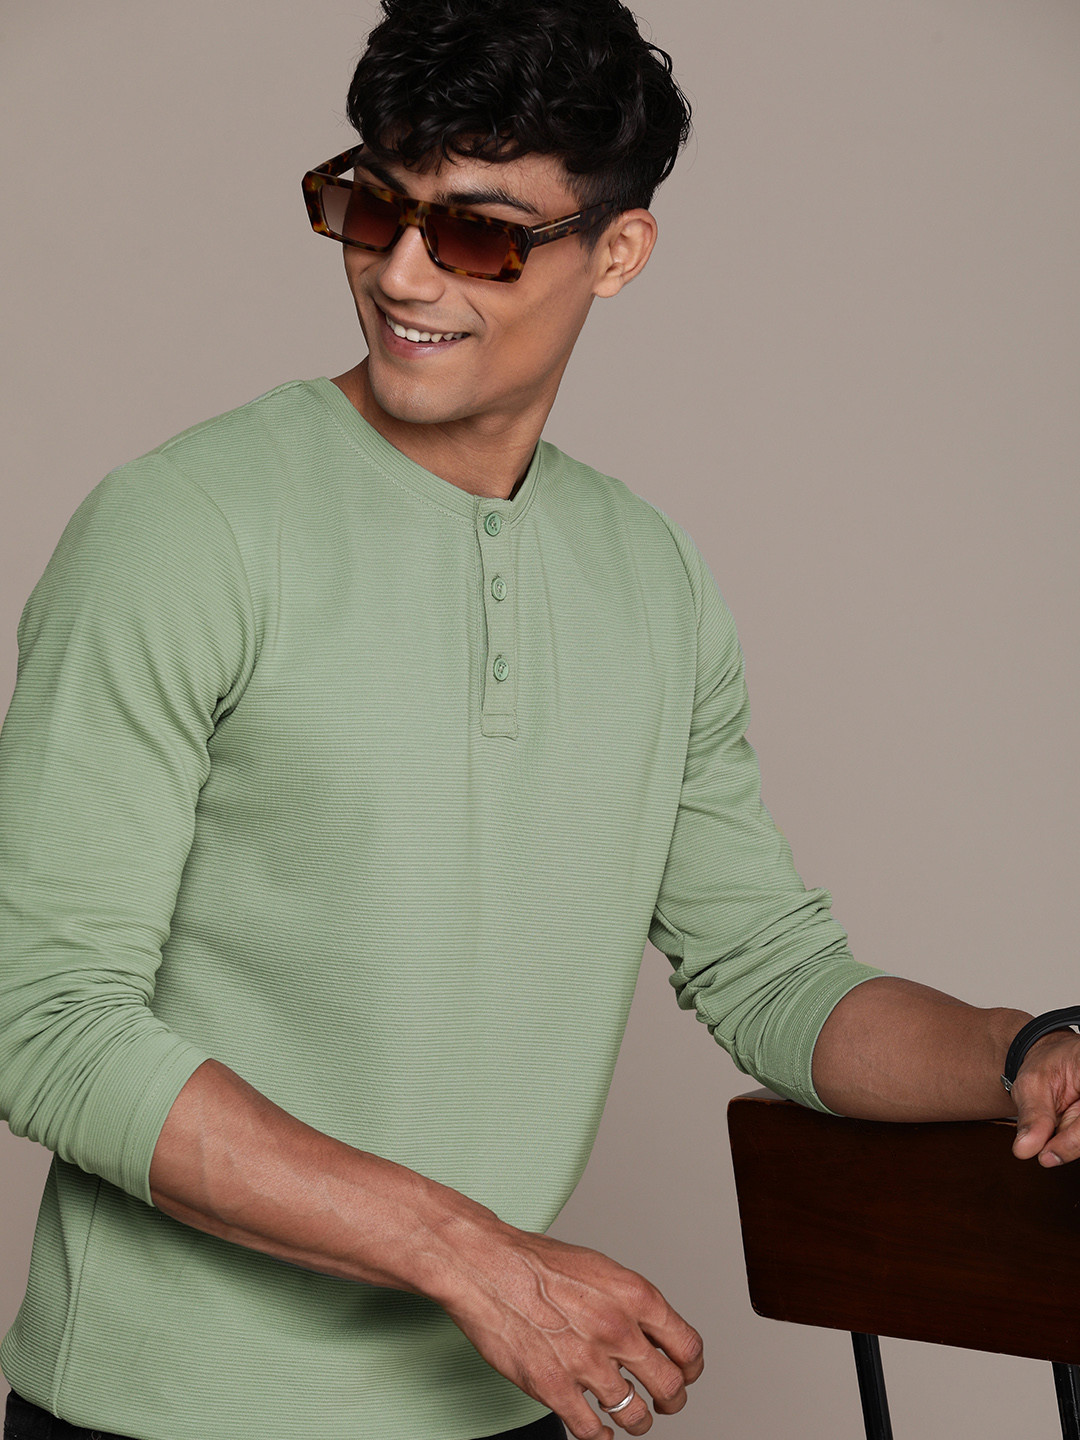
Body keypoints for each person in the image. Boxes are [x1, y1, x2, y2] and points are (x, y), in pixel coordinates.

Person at [1, 3, 1078, 1440]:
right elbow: (47, 1022)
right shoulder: (180, 527)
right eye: (372, 204)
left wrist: (1028, 1047)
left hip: (509, 1404)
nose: (399, 272)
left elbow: (773, 972)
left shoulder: (653, 577)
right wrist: (475, 1257)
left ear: (618, 252)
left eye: (479, 233)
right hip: (167, 1416)